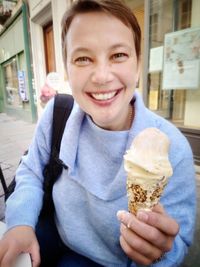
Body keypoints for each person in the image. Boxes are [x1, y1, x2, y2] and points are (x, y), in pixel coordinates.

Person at [0, 0, 196, 266]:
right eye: (82, 58)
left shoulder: (173, 148)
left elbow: (177, 241)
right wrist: (20, 222)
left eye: (118, 55)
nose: (102, 76)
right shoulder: (56, 115)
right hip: (52, 232)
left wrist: (160, 253)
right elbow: (32, 171)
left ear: (138, 65)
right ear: (67, 70)